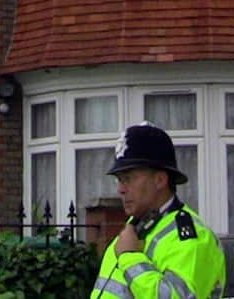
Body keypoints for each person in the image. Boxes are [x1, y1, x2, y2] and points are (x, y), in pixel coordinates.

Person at [91, 122, 226, 299]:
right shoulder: (134, 229)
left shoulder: (192, 238)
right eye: (119, 180)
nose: (121, 189)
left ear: (160, 180)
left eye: (129, 179)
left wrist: (130, 257)